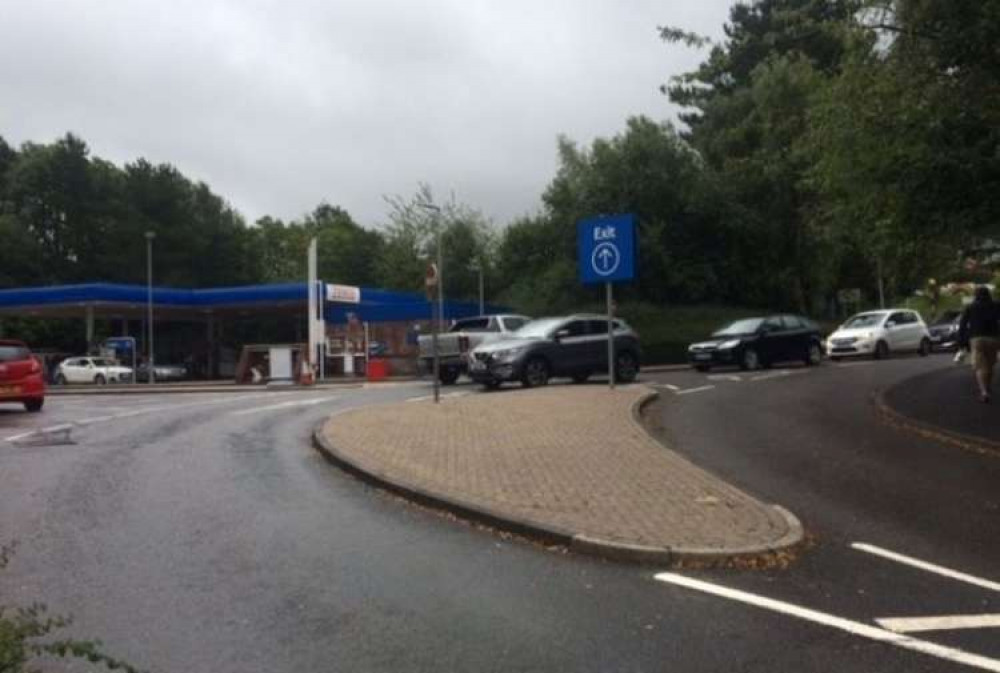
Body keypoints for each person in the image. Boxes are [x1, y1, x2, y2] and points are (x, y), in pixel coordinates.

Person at [958, 286, 1000, 403]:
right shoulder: (996, 305)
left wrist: (961, 341)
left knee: (980, 366)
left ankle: (984, 392)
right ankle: (988, 387)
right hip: (994, 338)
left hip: (977, 339)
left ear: (976, 295)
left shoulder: (971, 307)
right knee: (990, 365)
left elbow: (963, 325)